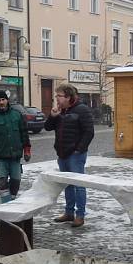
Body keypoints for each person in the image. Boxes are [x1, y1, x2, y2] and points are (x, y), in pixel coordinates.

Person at [44, 83, 94, 227]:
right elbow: (47, 127)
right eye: (56, 96)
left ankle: (80, 215)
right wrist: (53, 116)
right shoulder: (60, 111)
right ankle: (69, 212)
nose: (56, 99)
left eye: (59, 96)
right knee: (67, 184)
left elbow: (89, 132)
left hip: (75, 155)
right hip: (62, 153)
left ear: (68, 97)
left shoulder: (82, 109)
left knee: (79, 185)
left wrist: (79, 149)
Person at [0, 90, 31, 203]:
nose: (1, 102)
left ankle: (12, 201)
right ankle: (5, 203)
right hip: (0, 157)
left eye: (3, 100)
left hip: (15, 156)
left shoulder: (17, 115)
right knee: (2, 182)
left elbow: (24, 133)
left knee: (16, 181)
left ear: (7, 100)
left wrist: (27, 150)